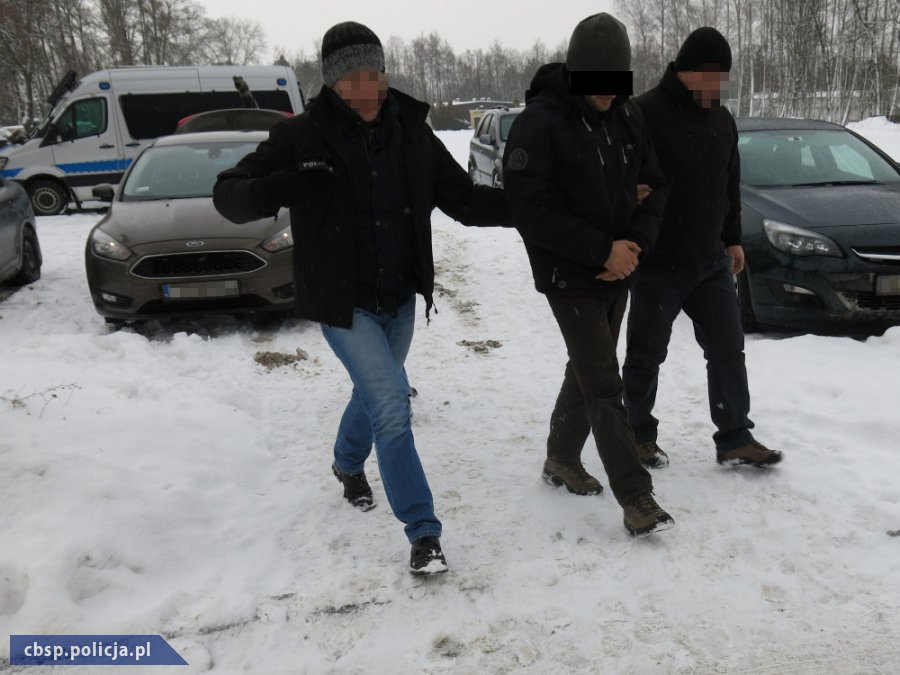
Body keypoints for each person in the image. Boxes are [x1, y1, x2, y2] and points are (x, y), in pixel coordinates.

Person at [213, 21, 507, 574]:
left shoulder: (413, 134)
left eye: (376, 74)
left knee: (377, 391)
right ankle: (424, 532)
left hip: (397, 301)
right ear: (333, 84)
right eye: (355, 79)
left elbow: (464, 200)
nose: (370, 89)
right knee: (393, 406)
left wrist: (533, 208)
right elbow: (229, 194)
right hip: (343, 305)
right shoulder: (300, 138)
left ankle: (347, 464)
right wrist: (283, 186)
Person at [502, 13, 674, 537]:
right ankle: (636, 497)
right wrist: (601, 248)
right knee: (603, 381)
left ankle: (560, 458)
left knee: (586, 368)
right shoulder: (541, 122)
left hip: (618, 267)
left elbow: (656, 186)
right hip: (567, 274)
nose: (606, 92)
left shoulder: (627, 117)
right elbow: (529, 209)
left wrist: (634, 245)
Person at [622, 27, 784, 469]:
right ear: (688, 71)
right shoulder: (643, 114)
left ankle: (734, 436)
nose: (719, 88)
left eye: (724, 79)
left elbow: (728, 185)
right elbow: (621, 179)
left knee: (728, 347)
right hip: (658, 262)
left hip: (710, 261)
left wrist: (732, 238)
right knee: (646, 353)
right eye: (713, 78)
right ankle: (636, 435)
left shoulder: (722, 120)